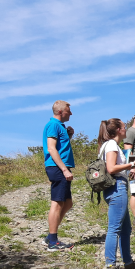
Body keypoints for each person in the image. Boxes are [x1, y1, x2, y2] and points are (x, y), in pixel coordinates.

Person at [99, 118, 135, 269]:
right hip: (116, 188)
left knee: (126, 229)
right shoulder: (112, 145)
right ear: (119, 130)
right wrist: (131, 164)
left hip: (114, 188)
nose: (126, 129)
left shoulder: (109, 145)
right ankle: (110, 268)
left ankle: (128, 264)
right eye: (124, 126)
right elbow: (111, 168)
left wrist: (131, 165)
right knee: (114, 228)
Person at [42, 100, 78, 250]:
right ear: (60, 112)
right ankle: (52, 241)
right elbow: (51, 148)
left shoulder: (60, 126)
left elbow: (59, 147)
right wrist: (64, 169)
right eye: (69, 110)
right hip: (57, 168)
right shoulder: (53, 125)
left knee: (67, 203)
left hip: (60, 167)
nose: (71, 113)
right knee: (57, 204)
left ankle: (51, 235)